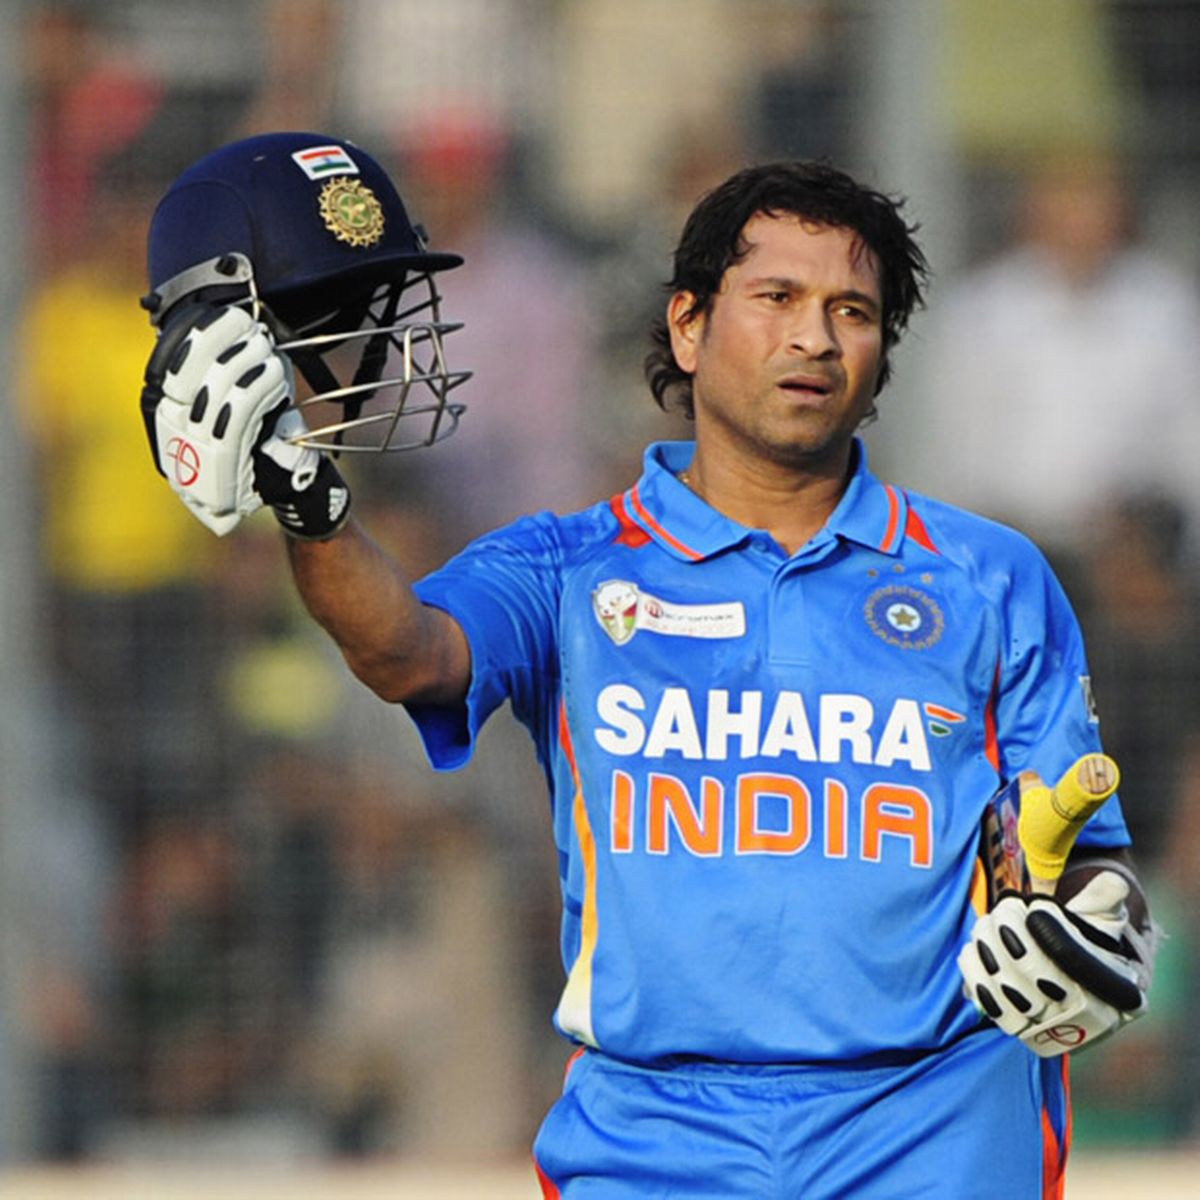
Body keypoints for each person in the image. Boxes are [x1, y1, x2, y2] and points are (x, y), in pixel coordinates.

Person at [138, 133, 1159, 1197]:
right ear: (687, 323)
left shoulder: (990, 578)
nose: (813, 336)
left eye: (850, 312)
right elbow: (406, 653)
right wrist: (306, 506)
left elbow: (1086, 855)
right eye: (774, 296)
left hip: (935, 1128)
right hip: (656, 1138)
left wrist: (1104, 933)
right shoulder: (567, 567)